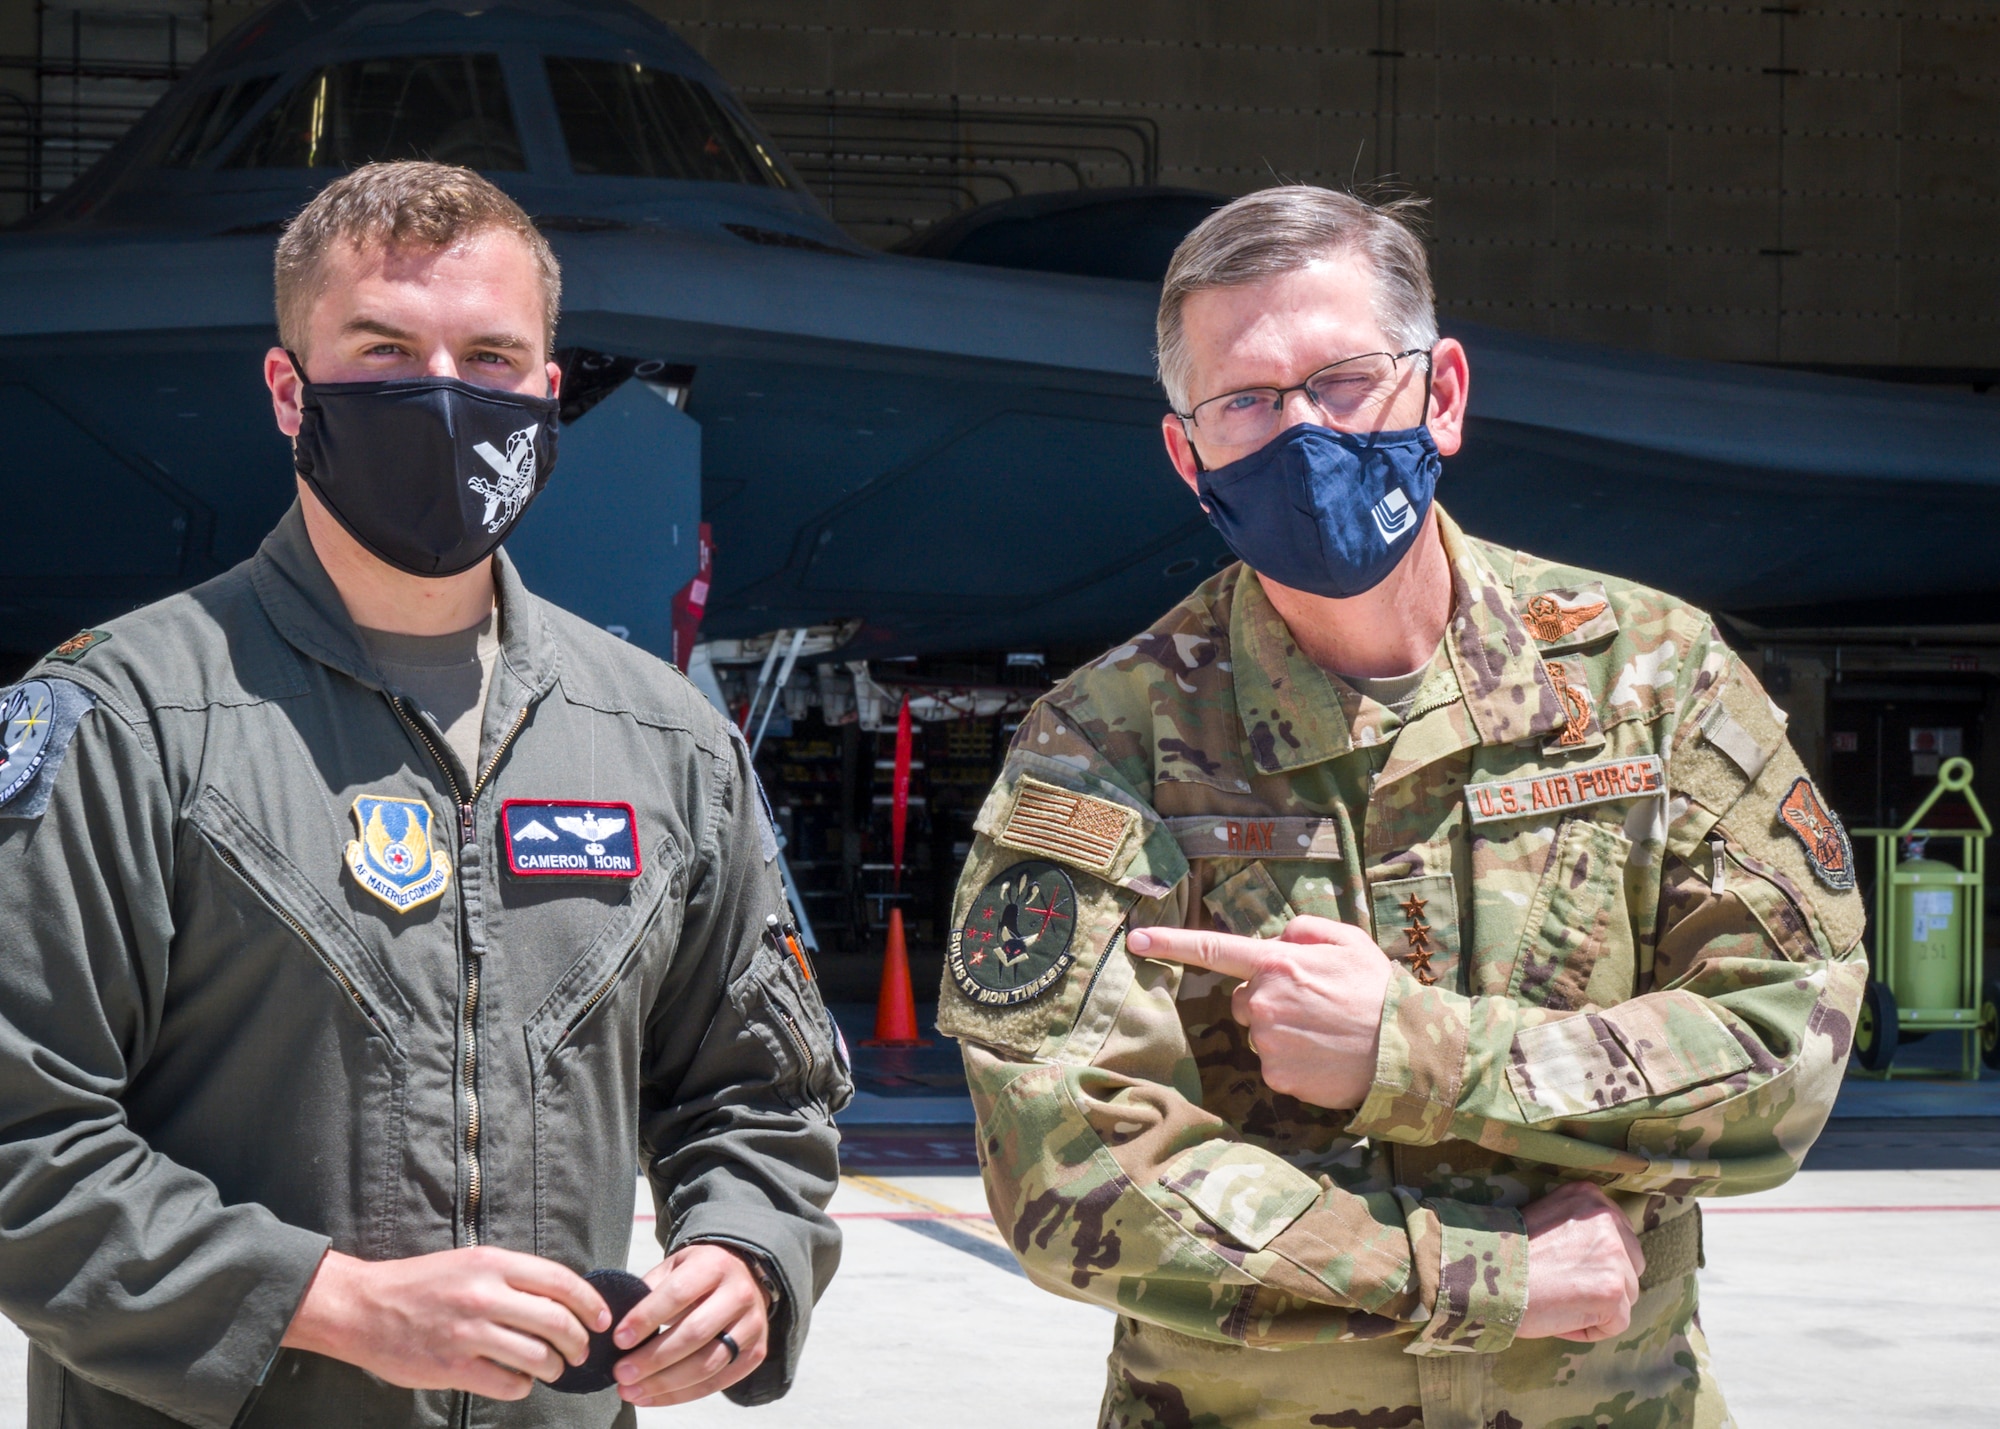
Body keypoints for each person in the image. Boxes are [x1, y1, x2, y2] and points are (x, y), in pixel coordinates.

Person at [939, 186, 1864, 1428]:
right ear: (1187, 453)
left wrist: (1414, 1049)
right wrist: (1488, 1279)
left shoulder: (1652, 679)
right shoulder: (1107, 741)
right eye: (1248, 402)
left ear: (1440, 393)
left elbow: (1782, 1051)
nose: (1303, 434)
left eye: (1340, 381)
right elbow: (1076, 1175)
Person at [0, 161, 849, 1427]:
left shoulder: (658, 736)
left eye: (491, 359)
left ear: (549, 396)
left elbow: (757, 1088)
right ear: (289, 391)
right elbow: (26, 1140)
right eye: (385, 349)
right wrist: (335, 1302)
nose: (443, 398)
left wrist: (744, 1254)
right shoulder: (130, 718)